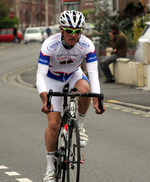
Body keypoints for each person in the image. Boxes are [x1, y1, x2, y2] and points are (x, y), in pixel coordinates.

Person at [36, 10, 105, 182]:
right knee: (53, 124)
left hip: (74, 75)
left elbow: (94, 73)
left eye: (77, 31)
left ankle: (80, 126)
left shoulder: (87, 45)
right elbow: (40, 76)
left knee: (85, 89)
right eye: (69, 31)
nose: (73, 35)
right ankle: (50, 167)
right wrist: (45, 99)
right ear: (61, 30)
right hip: (53, 80)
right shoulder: (49, 45)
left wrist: (97, 99)